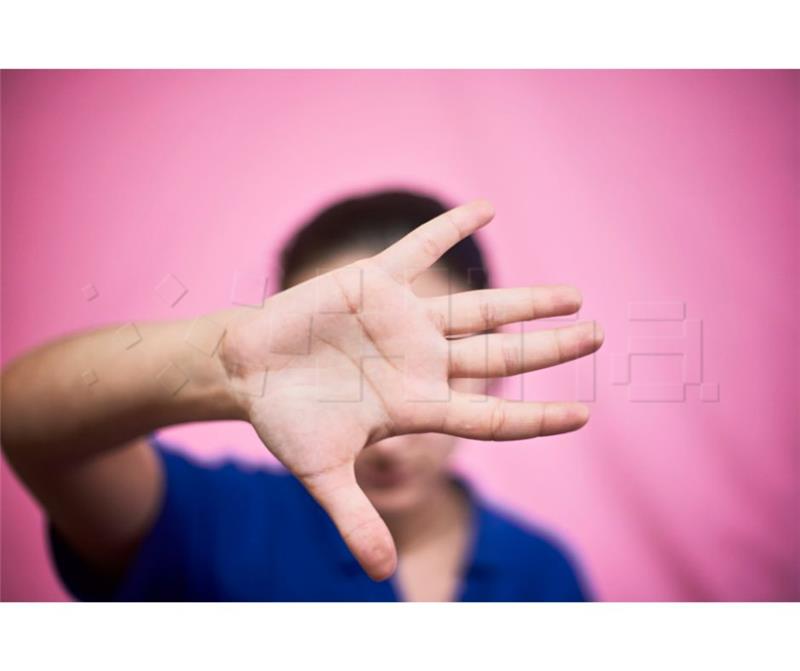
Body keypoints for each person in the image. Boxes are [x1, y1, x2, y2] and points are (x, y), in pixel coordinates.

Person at [1, 190, 604, 601]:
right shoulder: (214, 521)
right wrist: (228, 362)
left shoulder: (540, 571)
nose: (391, 433)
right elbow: (24, 419)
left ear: (492, 364)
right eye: (342, 368)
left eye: (431, 367)